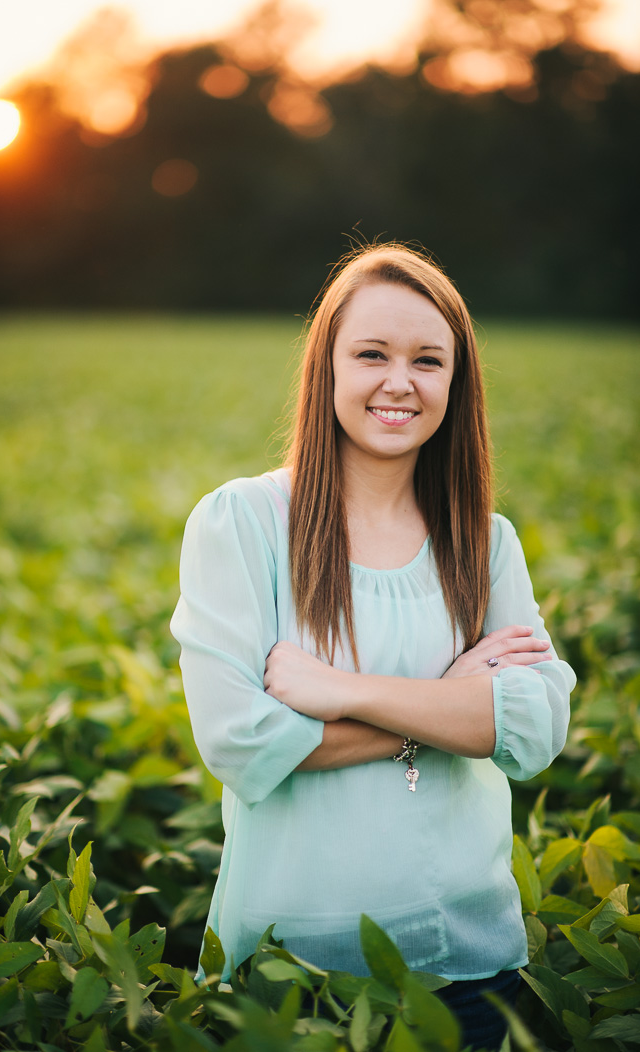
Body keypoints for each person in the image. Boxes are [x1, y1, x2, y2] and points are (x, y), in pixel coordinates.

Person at [170, 243, 576, 1050]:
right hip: (296, 975)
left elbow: (533, 730)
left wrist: (340, 690)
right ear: (326, 369)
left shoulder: (485, 544)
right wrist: (454, 701)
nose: (401, 381)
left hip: (470, 965)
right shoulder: (242, 523)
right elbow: (240, 743)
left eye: (429, 360)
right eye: (372, 354)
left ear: (456, 385)